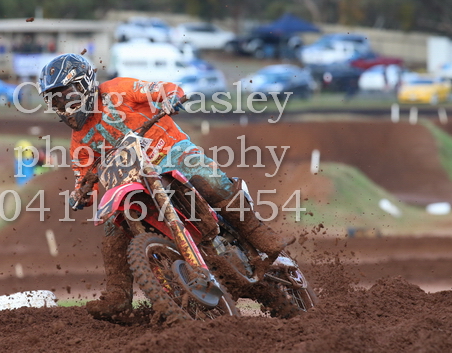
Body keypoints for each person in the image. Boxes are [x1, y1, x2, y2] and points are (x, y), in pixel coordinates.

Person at [37, 53, 294, 320]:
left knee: (205, 176)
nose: (64, 104)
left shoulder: (117, 90)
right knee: (113, 224)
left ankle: (258, 234)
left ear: (86, 84)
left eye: (67, 95)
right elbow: (84, 179)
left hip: (170, 151)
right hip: (132, 179)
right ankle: (118, 294)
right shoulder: (79, 141)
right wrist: (80, 194)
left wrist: (171, 97)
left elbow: (161, 89)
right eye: (56, 100)